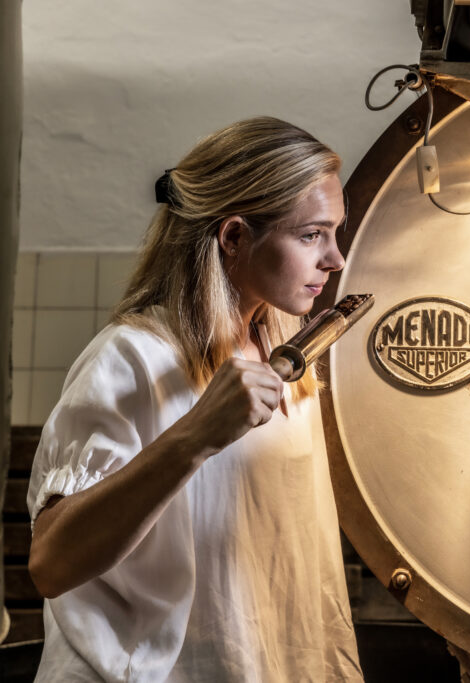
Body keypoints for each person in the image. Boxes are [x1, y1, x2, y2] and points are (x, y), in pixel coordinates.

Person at [26, 116, 364, 681]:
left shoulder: (284, 356)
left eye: (335, 233)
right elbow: (51, 564)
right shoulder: (130, 357)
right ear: (234, 237)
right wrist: (194, 437)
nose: (335, 259)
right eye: (311, 235)